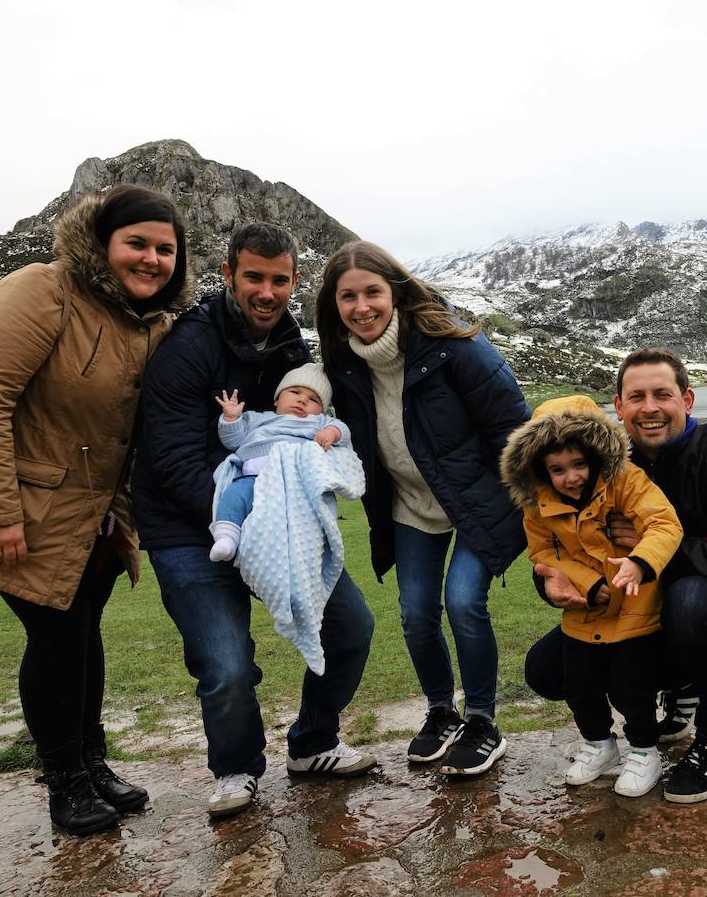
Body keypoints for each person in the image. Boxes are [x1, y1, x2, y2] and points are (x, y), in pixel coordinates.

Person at [0, 185, 193, 835]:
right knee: (55, 633)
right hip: (19, 503)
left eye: (166, 248)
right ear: (102, 243)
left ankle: (90, 763)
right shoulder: (42, 292)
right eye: (138, 243)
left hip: (95, 511)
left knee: (80, 629)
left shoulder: (150, 321)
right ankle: (65, 780)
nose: (153, 258)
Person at [133, 223, 376, 819]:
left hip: (273, 521)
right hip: (187, 527)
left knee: (352, 627)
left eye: (279, 280)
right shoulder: (189, 347)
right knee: (225, 663)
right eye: (254, 278)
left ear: (293, 281)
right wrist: (241, 519)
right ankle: (236, 771)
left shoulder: (292, 351)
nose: (267, 292)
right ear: (229, 275)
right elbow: (169, 456)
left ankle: (313, 744)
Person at [525, 348, 707, 804]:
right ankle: (684, 685)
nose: (650, 407)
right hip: (646, 610)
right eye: (636, 396)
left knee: (691, 601)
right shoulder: (603, 463)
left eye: (663, 394)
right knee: (548, 669)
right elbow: (562, 543)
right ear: (618, 407)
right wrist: (550, 581)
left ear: (688, 400)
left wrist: (659, 551)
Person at [317, 240, 530, 776]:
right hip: (410, 502)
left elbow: (513, 424)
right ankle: (441, 713)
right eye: (348, 296)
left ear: (396, 291)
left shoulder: (453, 344)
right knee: (415, 615)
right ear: (334, 303)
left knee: (463, 603)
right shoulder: (342, 361)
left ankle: (482, 720)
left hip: (480, 499)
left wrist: (531, 501)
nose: (361, 307)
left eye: (372, 292)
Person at [499, 396, 683, 797]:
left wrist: (639, 562)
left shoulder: (625, 481)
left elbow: (663, 523)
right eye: (558, 470)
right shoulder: (537, 502)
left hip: (634, 605)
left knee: (629, 685)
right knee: (578, 682)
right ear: (540, 470)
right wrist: (584, 582)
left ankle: (644, 750)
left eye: (579, 464)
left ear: (597, 455)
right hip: (584, 613)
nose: (572, 477)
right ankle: (599, 744)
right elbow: (543, 552)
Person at [209, 363, 347, 563]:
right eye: (295, 392)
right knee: (234, 495)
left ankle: (303, 548)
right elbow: (233, 441)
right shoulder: (257, 419)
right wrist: (231, 419)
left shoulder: (318, 423)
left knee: (302, 515)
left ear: (322, 411)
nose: (302, 400)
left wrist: (331, 432)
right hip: (252, 478)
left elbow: (342, 429)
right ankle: (226, 537)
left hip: (293, 485)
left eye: (313, 399)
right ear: (276, 399)